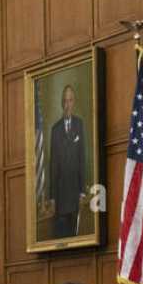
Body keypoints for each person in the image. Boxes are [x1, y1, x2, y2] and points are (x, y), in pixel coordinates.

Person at [47, 84, 88, 240]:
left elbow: (81, 159)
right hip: (61, 195)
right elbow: (53, 166)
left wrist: (82, 191)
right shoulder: (55, 129)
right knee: (62, 236)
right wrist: (52, 198)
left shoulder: (79, 124)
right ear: (61, 103)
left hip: (75, 193)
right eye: (64, 101)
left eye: (70, 101)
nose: (67, 105)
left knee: (76, 236)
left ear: (74, 102)